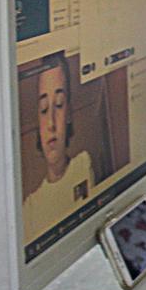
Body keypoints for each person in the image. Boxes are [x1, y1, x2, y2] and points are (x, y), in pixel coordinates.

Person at [23, 52, 92, 240]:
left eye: (59, 105)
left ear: (69, 113)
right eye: (44, 109)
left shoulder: (83, 164)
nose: (51, 123)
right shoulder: (30, 206)